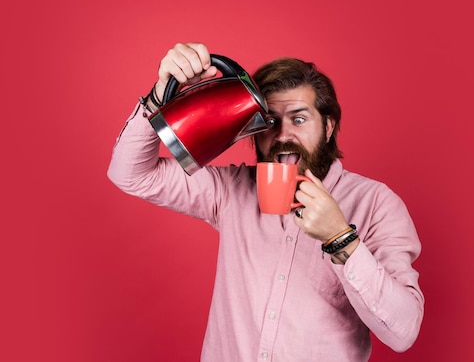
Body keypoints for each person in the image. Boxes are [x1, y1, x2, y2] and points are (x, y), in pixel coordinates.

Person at [107, 42, 423, 361]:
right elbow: (131, 174)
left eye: (299, 119)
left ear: (328, 127)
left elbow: (402, 332)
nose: (283, 135)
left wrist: (340, 237)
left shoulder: (376, 204)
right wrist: (159, 98)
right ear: (254, 129)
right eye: (270, 122)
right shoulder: (232, 189)